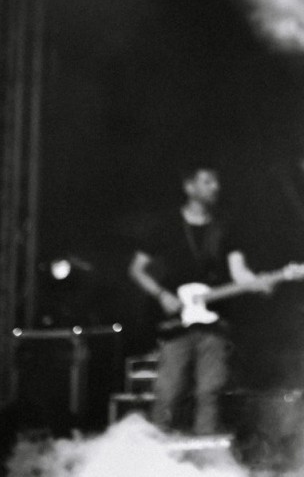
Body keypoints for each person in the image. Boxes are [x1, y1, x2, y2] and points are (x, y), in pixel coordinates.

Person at [129, 166, 269, 435]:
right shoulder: (167, 225)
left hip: (214, 324)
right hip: (176, 324)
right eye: (207, 181)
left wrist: (259, 281)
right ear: (189, 187)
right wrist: (161, 295)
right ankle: (155, 450)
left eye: (216, 181)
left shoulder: (224, 227)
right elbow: (136, 269)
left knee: (210, 392)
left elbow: (239, 272)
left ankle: (206, 454)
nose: (215, 187)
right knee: (168, 392)